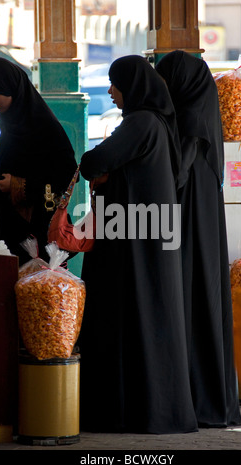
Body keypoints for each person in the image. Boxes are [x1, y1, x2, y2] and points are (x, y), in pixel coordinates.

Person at [77, 55, 198, 434]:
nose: (110, 91)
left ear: (134, 87)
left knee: (133, 320)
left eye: (116, 84)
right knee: (147, 323)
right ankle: (147, 411)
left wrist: (102, 169)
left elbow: (92, 161)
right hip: (144, 241)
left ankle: (131, 412)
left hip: (134, 244)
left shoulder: (141, 123)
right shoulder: (157, 123)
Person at [156, 50, 241, 427]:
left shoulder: (189, 120)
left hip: (190, 213)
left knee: (190, 295)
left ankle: (194, 396)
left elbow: (177, 173)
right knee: (201, 295)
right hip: (203, 212)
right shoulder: (203, 115)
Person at [0, 57, 77, 265]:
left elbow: (67, 175)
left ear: (11, 89)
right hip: (11, 227)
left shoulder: (44, 127)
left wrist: (17, 185)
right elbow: (14, 168)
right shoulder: (9, 122)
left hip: (38, 231)